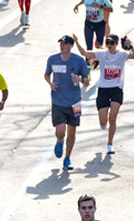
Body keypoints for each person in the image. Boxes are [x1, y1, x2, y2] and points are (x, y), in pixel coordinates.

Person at [73, 33, 134, 154]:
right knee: (103, 122)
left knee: (113, 118)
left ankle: (110, 144)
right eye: (107, 43)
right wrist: (77, 42)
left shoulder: (122, 55)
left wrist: (130, 46)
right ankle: (104, 120)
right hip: (103, 90)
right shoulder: (102, 54)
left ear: (117, 44)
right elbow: (85, 53)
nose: (109, 45)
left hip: (116, 89)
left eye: (112, 43)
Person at [44, 36, 90, 171]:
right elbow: (46, 74)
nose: (62, 46)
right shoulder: (53, 59)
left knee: (72, 131)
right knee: (61, 130)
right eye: (61, 44)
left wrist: (80, 79)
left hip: (74, 101)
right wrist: (50, 83)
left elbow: (87, 80)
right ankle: (59, 141)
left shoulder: (79, 61)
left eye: (65, 44)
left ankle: (67, 158)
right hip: (58, 100)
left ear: (71, 46)